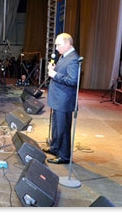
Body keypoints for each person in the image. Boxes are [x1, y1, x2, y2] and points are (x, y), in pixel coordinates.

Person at [44, 33, 80, 164]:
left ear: (67, 44)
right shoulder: (64, 56)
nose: (56, 47)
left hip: (64, 101)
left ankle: (64, 156)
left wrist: (55, 74)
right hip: (58, 99)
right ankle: (55, 148)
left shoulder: (73, 59)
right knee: (56, 126)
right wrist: (53, 69)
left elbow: (73, 81)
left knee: (63, 128)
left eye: (58, 45)